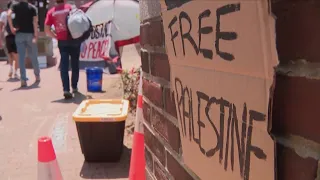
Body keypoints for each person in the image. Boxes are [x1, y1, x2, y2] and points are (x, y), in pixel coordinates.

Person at [44, 1, 81, 99]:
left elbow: (47, 30)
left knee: (64, 64)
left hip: (62, 41)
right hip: (74, 39)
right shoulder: (71, 8)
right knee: (75, 63)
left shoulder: (51, 12)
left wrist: (56, 37)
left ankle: (66, 89)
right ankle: (74, 86)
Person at [8, 0, 40, 87]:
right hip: (30, 34)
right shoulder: (32, 8)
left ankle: (23, 79)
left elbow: (8, 14)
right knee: (33, 56)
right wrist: (36, 35)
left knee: (21, 58)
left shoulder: (14, 6)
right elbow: (35, 22)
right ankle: (37, 76)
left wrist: (11, 27)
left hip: (19, 34)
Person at [0, 1, 19, 78]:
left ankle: (11, 68)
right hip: (16, 36)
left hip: (7, 36)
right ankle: (16, 72)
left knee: (10, 54)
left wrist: (0, 38)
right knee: (17, 55)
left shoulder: (4, 14)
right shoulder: (17, 14)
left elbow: (1, 26)